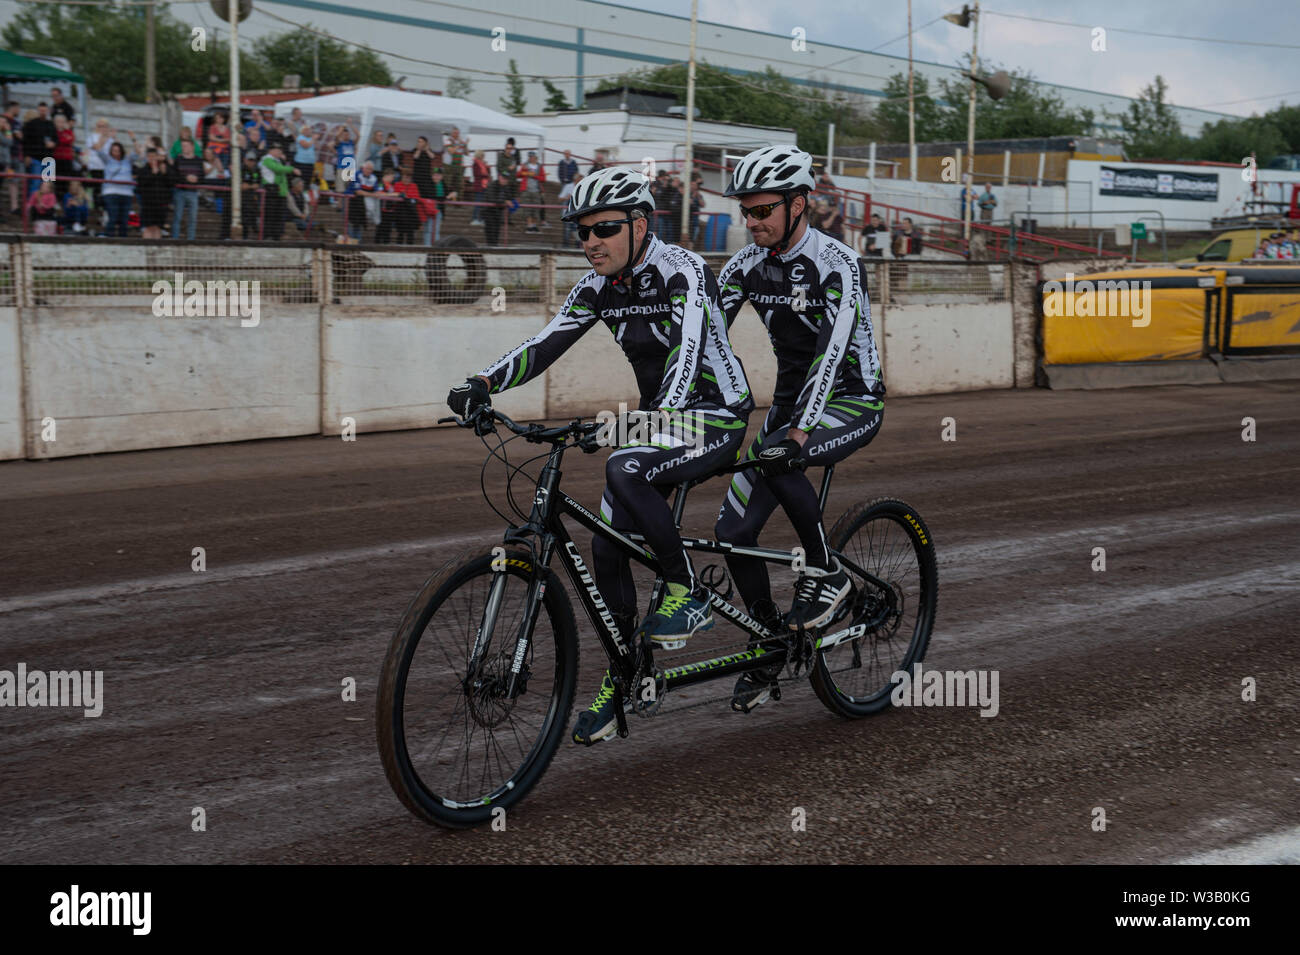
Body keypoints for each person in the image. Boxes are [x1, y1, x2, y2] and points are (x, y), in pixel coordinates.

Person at [446, 166, 754, 746]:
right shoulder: (595, 287)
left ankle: (685, 591)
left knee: (623, 466)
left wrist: (637, 423)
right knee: (605, 550)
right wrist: (481, 383)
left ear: (642, 224)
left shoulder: (683, 270)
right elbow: (546, 343)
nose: (590, 242)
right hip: (656, 421)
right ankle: (625, 676)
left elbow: (687, 359)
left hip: (712, 414)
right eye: (581, 232)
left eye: (604, 229)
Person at [715, 145, 885, 712]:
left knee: (776, 457)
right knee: (732, 535)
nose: (753, 222)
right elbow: (703, 339)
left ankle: (828, 574)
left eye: (764, 211)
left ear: (799, 204)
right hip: (790, 406)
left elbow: (830, 358)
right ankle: (772, 642)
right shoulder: (743, 267)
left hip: (851, 398)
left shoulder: (837, 262)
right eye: (747, 212)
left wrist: (795, 434)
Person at [95, 140, 134, 237]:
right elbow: (98, 150)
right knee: (113, 217)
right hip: (111, 192)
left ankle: (123, 240)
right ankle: (109, 238)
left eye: (118, 150)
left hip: (126, 193)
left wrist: (133, 139)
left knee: (124, 220)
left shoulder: (127, 161)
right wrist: (104, 137)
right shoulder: (108, 160)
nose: (116, 153)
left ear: (121, 151)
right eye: (113, 150)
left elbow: (138, 153)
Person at [259, 144, 295, 240]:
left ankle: (277, 235)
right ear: (271, 151)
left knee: (278, 215)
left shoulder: (278, 161)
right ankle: (267, 235)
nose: (280, 152)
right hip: (271, 189)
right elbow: (278, 169)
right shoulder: (267, 159)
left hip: (280, 191)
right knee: (270, 214)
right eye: (278, 150)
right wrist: (292, 169)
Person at [134, 147, 171, 239]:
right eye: (150, 156)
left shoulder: (163, 168)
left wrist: (165, 173)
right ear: (147, 157)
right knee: (148, 227)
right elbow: (141, 184)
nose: (152, 159)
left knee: (158, 227)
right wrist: (153, 174)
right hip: (148, 203)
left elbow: (171, 183)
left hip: (161, 203)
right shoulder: (143, 170)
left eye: (154, 156)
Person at [170, 139, 204, 240]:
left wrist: (197, 179)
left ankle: (191, 240)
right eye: (183, 146)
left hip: (193, 192)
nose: (184, 148)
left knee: (192, 218)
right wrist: (186, 178)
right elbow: (173, 176)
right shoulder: (178, 159)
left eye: (186, 145)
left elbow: (202, 177)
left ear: (192, 147)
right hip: (179, 192)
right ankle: (175, 239)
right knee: (177, 217)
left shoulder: (198, 160)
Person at [482, 169, 511, 245]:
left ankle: (494, 246)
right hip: (489, 212)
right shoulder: (492, 185)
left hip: (498, 212)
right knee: (490, 231)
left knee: (496, 231)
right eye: (503, 178)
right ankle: (490, 247)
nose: (505, 180)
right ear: (499, 177)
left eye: (506, 179)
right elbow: (492, 199)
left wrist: (510, 201)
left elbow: (509, 197)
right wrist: (505, 201)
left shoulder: (506, 187)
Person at [444, 126, 468, 196]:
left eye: (457, 133)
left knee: (459, 185)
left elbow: (466, 153)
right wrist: (459, 144)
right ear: (451, 133)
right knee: (447, 183)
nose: (456, 134)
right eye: (455, 133)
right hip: (449, 166)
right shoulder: (447, 140)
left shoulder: (461, 141)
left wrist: (465, 145)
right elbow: (451, 151)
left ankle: (458, 203)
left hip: (459, 166)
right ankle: (445, 200)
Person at [469, 149, 489, 225]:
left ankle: (481, 219)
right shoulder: (476, 164)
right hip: (479, 186)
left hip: (483, 186)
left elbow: (485, 173)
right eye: (482, 155)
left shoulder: (482, 164)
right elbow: (477, 174)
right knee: (478, 203)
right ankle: (475, 218)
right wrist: (486, 175)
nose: (483, 157)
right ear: (479, 156)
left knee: (483, 204)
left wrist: (486, 168)